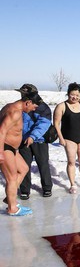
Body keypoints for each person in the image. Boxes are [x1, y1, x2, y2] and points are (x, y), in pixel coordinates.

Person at [0, 86, 42, 216]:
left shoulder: (12, 107)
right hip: (5, 147)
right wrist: (0, 152)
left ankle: (10, 197)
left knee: (23, 168)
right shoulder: (15, 112)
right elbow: (1, 131)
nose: (34, 109)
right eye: (34, 106)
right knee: (12, 178)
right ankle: (12, 208)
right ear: (28, 102)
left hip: (12, 148)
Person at [53, 83, 80, 194]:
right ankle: (72, 184)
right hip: (68, 138)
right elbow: (56, 124)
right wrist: (60, 138)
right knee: (71, 161)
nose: (74, 97)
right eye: (72, 94)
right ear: (68, 94)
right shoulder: (61, 106)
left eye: (77, 95)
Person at [18, 84, 53, 199]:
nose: (22, 95)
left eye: (24, 93)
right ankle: (24, 189)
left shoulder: (42, 107)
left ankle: (47, 188)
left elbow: (44, 124)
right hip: (23, 141)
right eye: (21, 93)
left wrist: (32, 136)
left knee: (43, 164)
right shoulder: (20, 105)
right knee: (24, 166)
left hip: (39, 140)